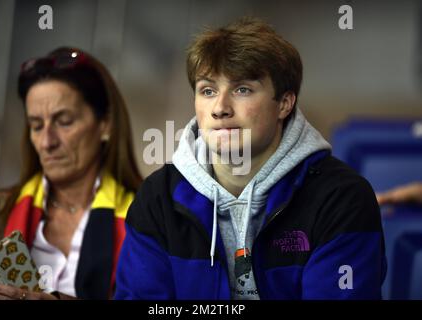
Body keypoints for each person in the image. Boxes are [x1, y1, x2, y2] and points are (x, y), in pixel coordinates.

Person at [114, 17, 386, 300]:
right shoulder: (158, 198)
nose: (220, 108)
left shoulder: (341, 198)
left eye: (242, 89)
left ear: (284, 103)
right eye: (207, 90)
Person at [0, 47, 142, 300]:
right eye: (36, 125)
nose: (46, 142)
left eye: (64, 122)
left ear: (105, 125)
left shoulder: (146, 219)